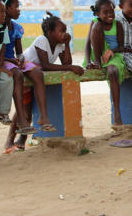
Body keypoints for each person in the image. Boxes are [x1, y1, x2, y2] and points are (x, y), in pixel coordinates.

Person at [5, 12, 84, 153]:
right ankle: (9, 140)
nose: (64, 34)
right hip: (26, 70)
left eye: (65, 31)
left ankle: (21, 141)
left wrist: (66, 44)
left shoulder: (59, 44)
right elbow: (47, 65)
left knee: (28, 111)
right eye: (61, 31)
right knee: (23, 109)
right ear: (50, 32)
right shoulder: (42, 40)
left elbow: (66, 62)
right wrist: (71, 67)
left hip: (36, 75)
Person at [0, 0, 55, 134]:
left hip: (13, 60)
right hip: (2, 61)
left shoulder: (16, 28)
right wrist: (10, 61)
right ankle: (22, 120)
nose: (19, 10)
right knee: (17, 74)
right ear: (6, 8)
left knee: (37, 73)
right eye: (16, 6)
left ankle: (44, 117)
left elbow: (19, 51)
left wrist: (21, 58)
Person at [84, 0, 127, 128]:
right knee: (97, 26)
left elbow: (121, 46)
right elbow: (87, 44)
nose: (110, 15)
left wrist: (112, 51)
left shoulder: (118, 25)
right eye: (105, 12)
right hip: (97, 55)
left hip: (113, 55)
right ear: (97, 13)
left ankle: (117, 112)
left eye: (112, 11)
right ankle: (97, 62)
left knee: (113, 70)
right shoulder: (95, 22)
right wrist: (88, 61)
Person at [0, 0, 34, 134]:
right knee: (11, 75)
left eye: (5, 12)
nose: (4, 15)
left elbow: (3, 48)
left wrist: (1, 66)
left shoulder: (3, 28)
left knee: (6, 78)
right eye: (1, 11)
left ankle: (3, 113)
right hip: (0, 62)